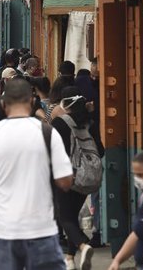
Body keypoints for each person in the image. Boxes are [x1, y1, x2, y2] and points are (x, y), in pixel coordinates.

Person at [0, 78, 73, 270]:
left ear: (3, 104)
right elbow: (65, 181)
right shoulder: (47, 133)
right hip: (42, 230)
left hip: (3, 232)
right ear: (32, 102)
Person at [51, 86, 101, 270]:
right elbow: (100, 150)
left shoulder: (60, 123)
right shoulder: (90, 123)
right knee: (72, 216)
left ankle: (82, 245)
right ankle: (70, 259)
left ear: (65, 103)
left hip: (65, 174)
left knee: (64, 216)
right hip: (87, 177)